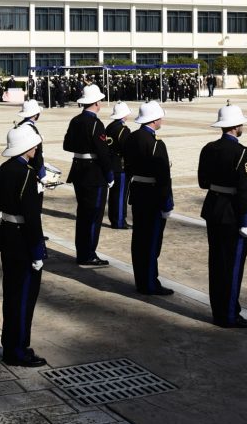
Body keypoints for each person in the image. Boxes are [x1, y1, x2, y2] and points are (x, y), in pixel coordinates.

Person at [0, 125, 48, 367]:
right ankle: (18, 350)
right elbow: (32, 216)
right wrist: (37, 249)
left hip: (8, 234)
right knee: (23, 298)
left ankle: (11, 345)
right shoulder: (26, 174)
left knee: (11, 295)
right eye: (33, 144)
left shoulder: (5, 168)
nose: (36, 148)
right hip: (23, 239)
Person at [198, 104, 247, 329]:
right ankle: (229, 315)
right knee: (232, 267)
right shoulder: (242, 152)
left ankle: (218, 310)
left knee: (216, 262)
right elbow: (245, 189)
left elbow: (203, 182)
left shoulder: (208, 148)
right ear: (236, 126)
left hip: (213, 208)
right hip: (232, 213)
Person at [125, 101, 173, 295]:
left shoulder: (132, 137)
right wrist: (167, 202)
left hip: (137, 191)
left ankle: (141, 280)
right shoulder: (155, 143)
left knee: (139, 240)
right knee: (152, 242)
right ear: (154, 119)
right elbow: (163, 176)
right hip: (153, 195)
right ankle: (150, 283)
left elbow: (126, 165)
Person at [62, 84, 113, 266]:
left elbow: (66, 145)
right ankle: (88, 253)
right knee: (93, 215)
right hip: (94, 172)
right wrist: (109, 174)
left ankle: (82, 251)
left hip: (78, 169)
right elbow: (103, 152)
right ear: (96, 103)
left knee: (83, 214)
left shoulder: (75, 120)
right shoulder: (95, 123)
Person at [105, 101, 132, 230]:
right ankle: (119, 220)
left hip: (110, 164)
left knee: (113, 194)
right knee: (121, 195)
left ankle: (113, 217)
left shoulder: (109, 127)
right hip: (120, 165)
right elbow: (128, 149)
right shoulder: (123, 130)